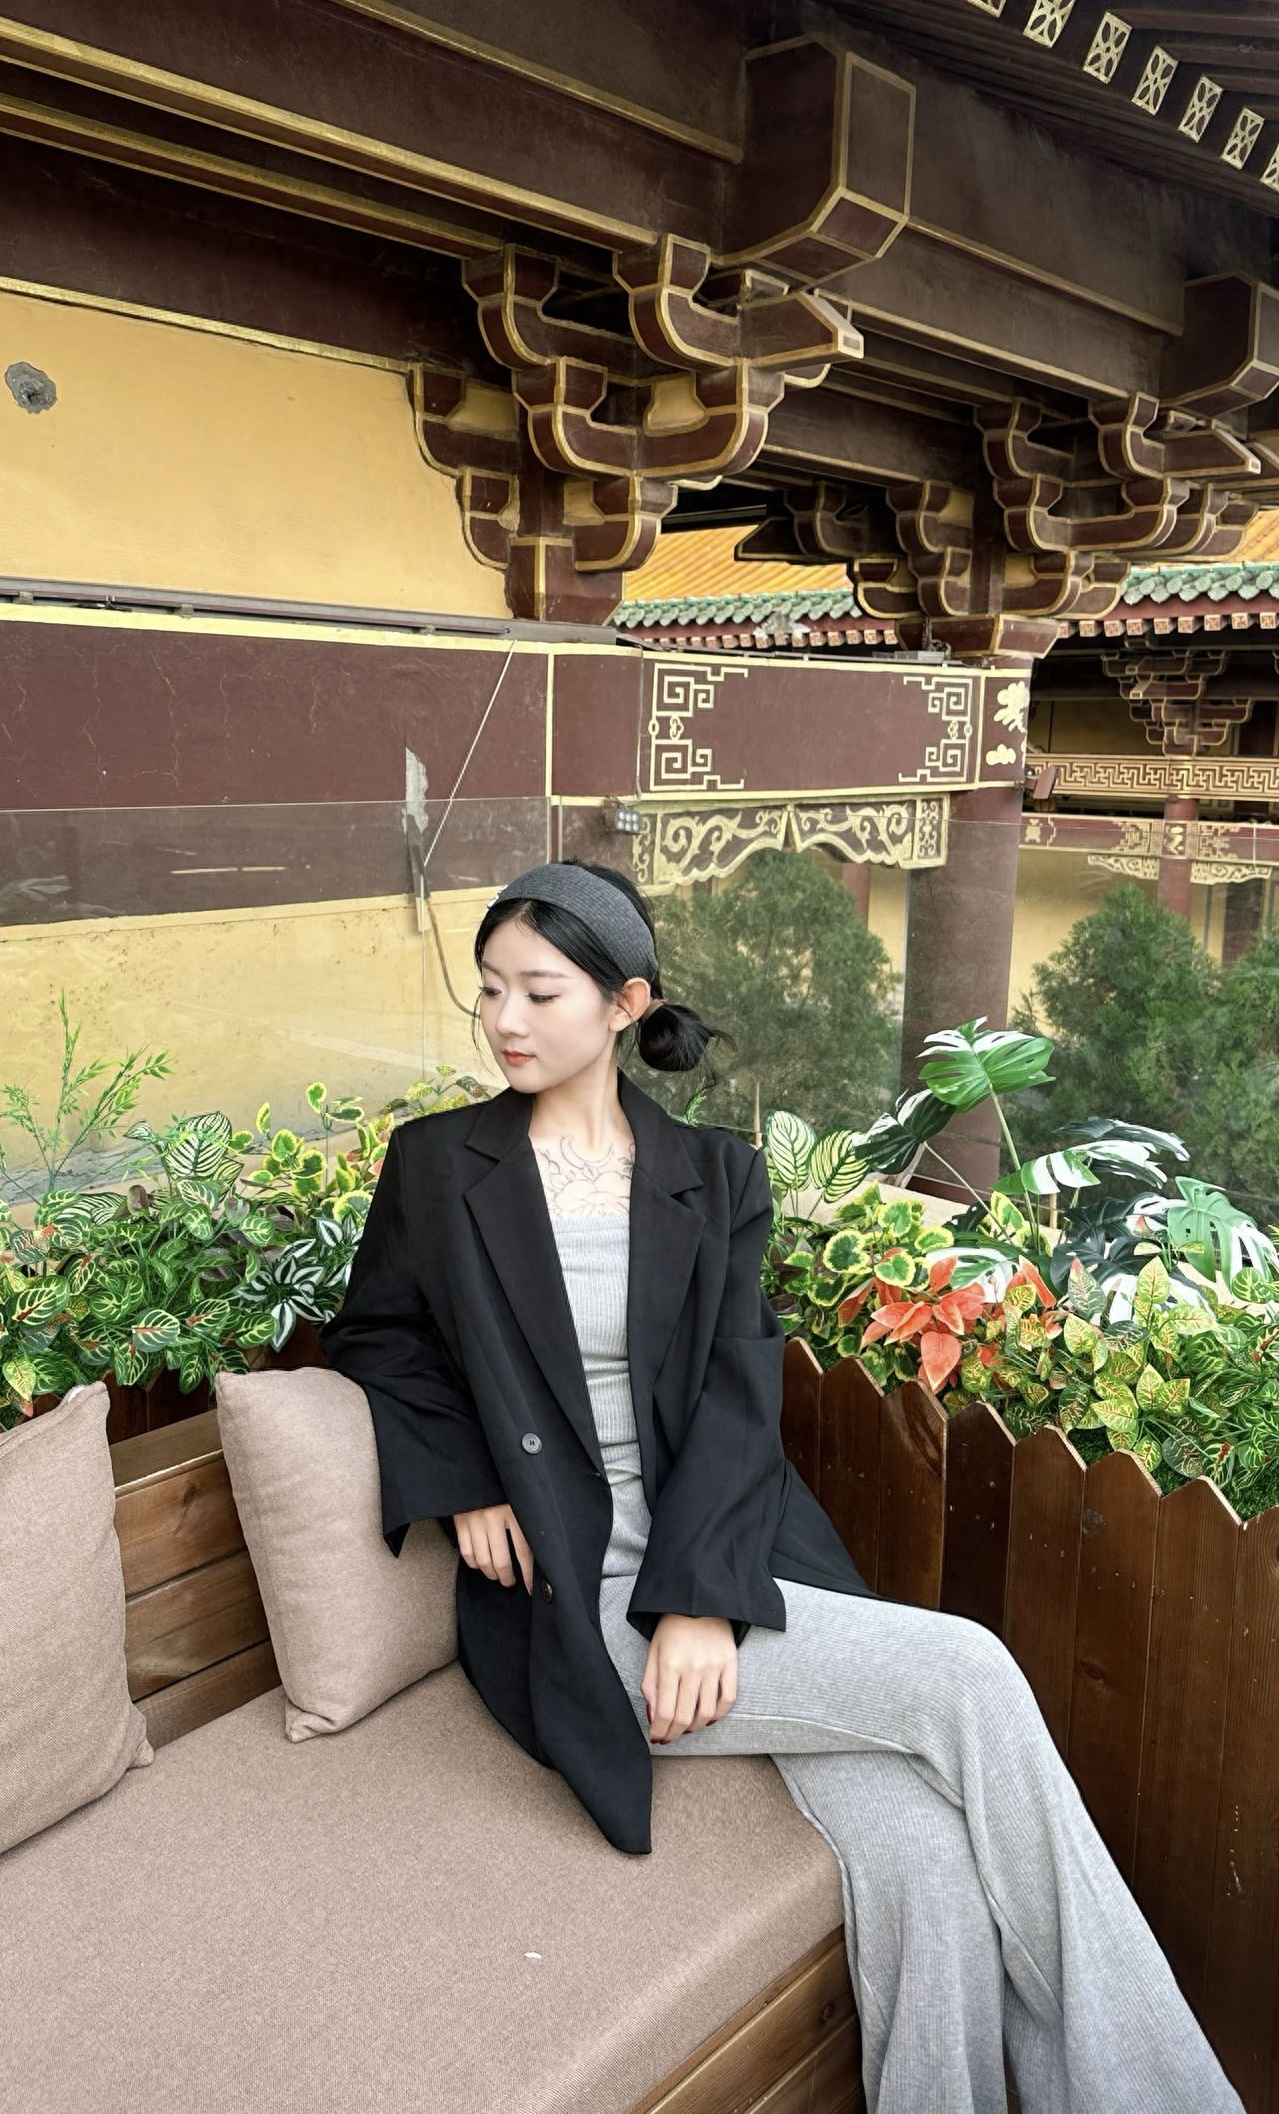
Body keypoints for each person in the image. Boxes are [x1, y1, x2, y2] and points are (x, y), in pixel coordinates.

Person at [319, 857, 1244, 2114]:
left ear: (623, 1002)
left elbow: (730, 1397)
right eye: (489, 991)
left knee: (918, 1849)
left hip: (722, 1558)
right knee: (966, 1666)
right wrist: (466, 1479)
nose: (505, 1020)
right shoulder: (437, 1164)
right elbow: (376, 1336)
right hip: (572, 1595)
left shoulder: (712, 1172)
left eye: (539, 991)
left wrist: (700, 1596)